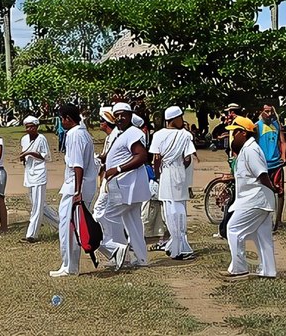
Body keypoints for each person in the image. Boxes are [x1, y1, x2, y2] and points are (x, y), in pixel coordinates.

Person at [95, 102, 150, 271]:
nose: (119, 118)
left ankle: (118, 251)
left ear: (130, 115)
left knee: (107, 215)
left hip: (126, 186)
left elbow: (141, 156)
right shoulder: (121, 133)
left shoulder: (133, 132)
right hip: (124, 186)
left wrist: (117, 168)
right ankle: (141, 258)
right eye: (116, 115)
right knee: (132, 222)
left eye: (123, 114)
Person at [221, 116, 277, 280]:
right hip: (256, 199)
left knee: (233, 229)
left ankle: (239, 269)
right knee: (262, 236)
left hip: (255, 199)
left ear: (243, 133)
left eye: (235, 132)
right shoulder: (247, 149)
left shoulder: (251, 150)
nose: (233, 136)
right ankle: (268, 271)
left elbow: (261, 174)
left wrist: (272, 188)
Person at [51, 104, 98, 277]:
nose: (61, 122)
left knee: (67, 226)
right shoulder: (82, 132)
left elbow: (77, 165)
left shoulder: (74, 134)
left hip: (76, 186)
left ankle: (69, 266)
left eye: (61, 118)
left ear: (67, 119)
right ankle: (69, 264)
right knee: (74, 224)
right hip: (81, 184)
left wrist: (77, 191)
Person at [150, 106, 196, 260]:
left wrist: (157, 175)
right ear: (174, 119)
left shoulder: (158, 135)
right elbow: (188, 158)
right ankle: (179, 245)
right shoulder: (185, 135)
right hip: (179, 173)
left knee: (169, 210)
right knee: (179, 209)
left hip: (165, 174)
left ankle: (177, 245)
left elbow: (156, 159)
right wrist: (182, 170)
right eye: (181, 117)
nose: (182, 120)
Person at [20, 115, 56, 243]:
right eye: (27, 127)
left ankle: (32, 234)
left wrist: (30, 153)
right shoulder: (24, 139)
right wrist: (23, 157)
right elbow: (23, 154)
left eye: (31, 127)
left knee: (37, 206)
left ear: (36, 127)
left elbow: (46, 157)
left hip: (39, 174)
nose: (28, 129)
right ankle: (61, 223)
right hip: (29, 173)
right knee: (39, 205)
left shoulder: (41, 139)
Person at [255, 103, 286, 231]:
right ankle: (262, 219)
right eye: (266, 112)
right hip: (263, 165)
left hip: (276, 163)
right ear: (261, 112)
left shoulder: (276, 125)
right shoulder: (257, 126)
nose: (269, 114)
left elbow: (283, 142)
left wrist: (284, 156)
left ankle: (278, 219)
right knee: (262, 192)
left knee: (280, 192)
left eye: (271, 112)